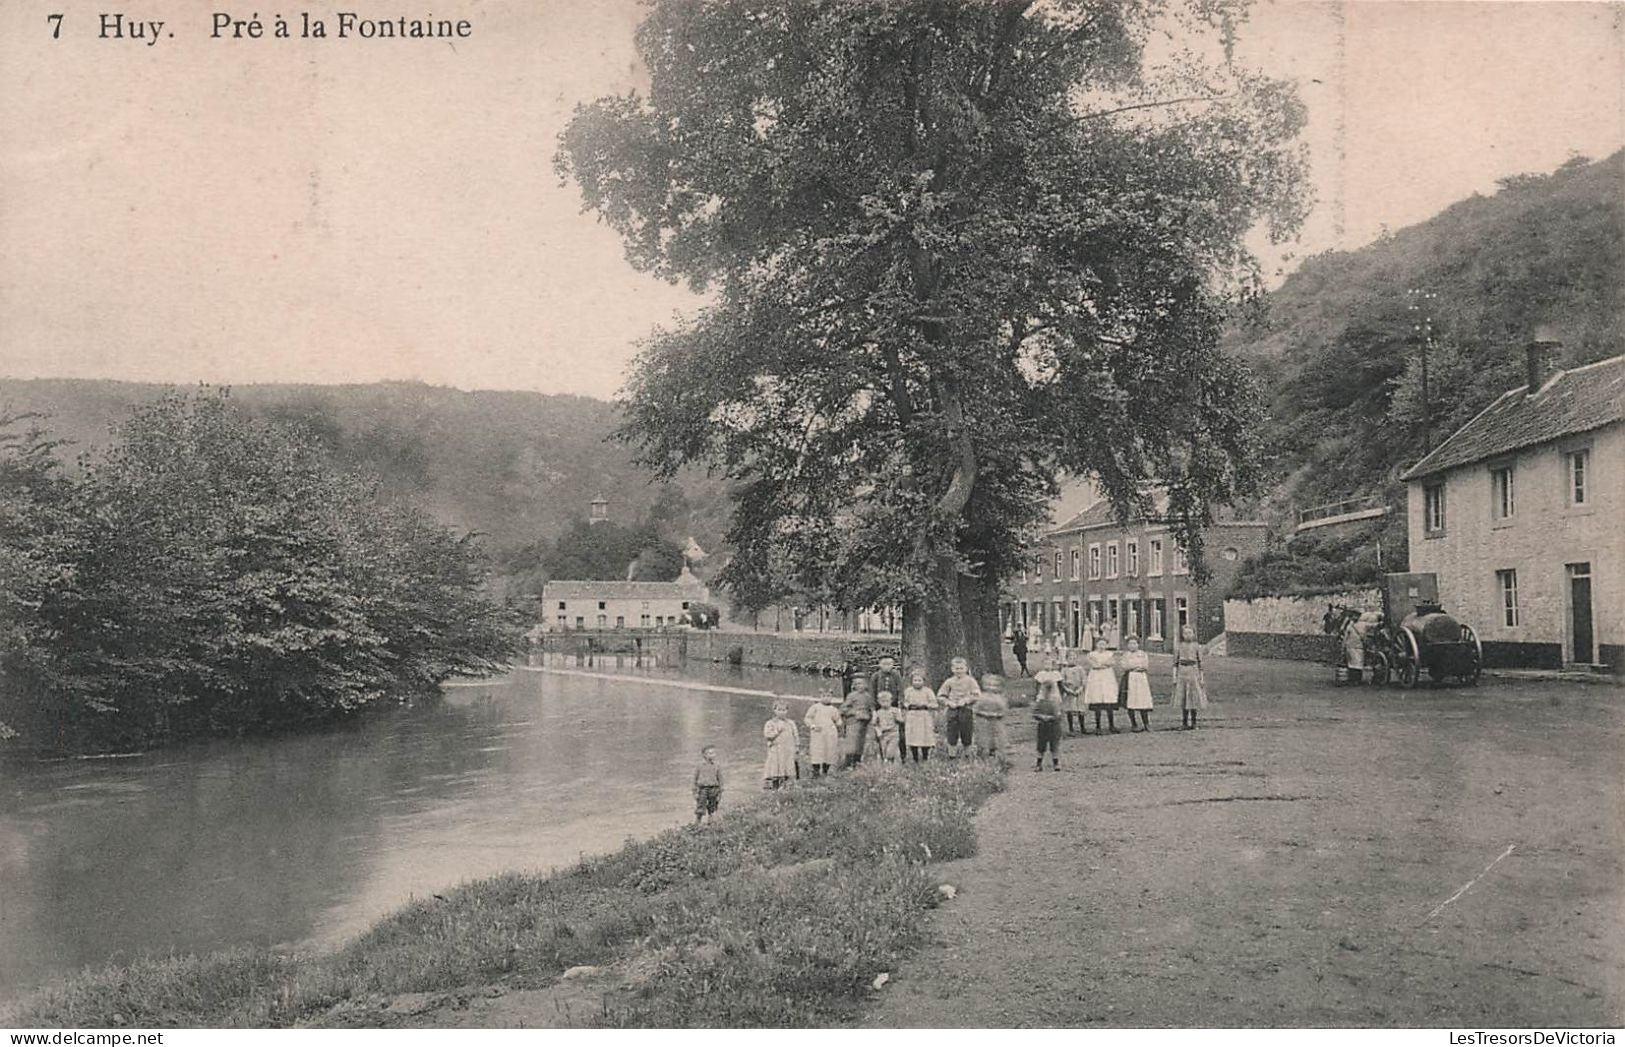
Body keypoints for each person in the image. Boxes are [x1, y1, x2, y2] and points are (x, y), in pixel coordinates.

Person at [937, 656, 981, 758]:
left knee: (967, 732)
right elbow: (940, 696)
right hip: (952, 710)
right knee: (952, 732)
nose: (959, 671)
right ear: (952, 669)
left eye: (961, 668)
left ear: (966, 668)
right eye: (957, 668)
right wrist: (948, 702)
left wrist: (966, 701)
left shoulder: (971, 681)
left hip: (966, 710)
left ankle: (968, 754)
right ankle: (952, 755)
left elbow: (977, 694)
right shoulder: (949, 682)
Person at [1173, 625, 1209, 730]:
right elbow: (1175, 663)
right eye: (1185, 633)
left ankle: (1194, 722)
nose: (1187, 635)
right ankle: (1184, 722)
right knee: (1183, 698)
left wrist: (1201, 678)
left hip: (1193, 672)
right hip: (1182, 672)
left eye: (1190, 633)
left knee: (1193, 697)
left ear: (1193, 634)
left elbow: (1200, 663)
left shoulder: (1197, 646)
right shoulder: (1178, 646)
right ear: (1182, 634)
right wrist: (1174, 677)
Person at [900, 668, 939, 763]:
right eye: (915, 680)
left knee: (924, 737)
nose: (917, 683)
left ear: (923, 681)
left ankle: (925, 757)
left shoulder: (928, 691)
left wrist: (926, 705)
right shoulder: (908, 691)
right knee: (913, 737)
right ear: (911, 681)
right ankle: (915, 758)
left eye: (919, 680)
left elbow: (935, 704)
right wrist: (907, 705)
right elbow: (904, 702)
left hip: (924, 716)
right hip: (912, 716)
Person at [803, 687, 843, 777]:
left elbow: (838, 719)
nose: (826, 698)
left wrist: (839, 723)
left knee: (829, 751)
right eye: (824, 696)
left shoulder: (833, 709)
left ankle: (825, 770)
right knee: (817, 751)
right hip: (818, 732)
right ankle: (816, 771)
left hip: (830, 733)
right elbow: (807, 718)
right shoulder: (815, 707)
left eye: (828, 696)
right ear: (820, 696)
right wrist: (813, 726)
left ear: (831, 697)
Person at [871, 655, 907, 752]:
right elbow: (872, 692)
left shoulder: (896, 675)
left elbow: (900, 689)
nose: (887, 666)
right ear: (879, 664)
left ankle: (901, 754)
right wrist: (874, 708)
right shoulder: (876, 676)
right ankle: (883, 753)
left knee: (899, 730)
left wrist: (900, 704)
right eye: (884, 664)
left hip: (894, 705)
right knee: (880, 730)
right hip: (880, 707)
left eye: (889, 664)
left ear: (893, 665)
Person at [1084, 637, 1120, 734]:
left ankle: (1111, 725)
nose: (1102, 646)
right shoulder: (1091, 654)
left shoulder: (1109, 654)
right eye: (1100, 644)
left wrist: (1101, 664)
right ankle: (1098, 726)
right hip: (1096, 678)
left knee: (1109, 700)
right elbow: (1094, 665)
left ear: (1107, 645)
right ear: (1096, 645)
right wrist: (1103, 664)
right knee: (1097, 701)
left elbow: (1112, 663)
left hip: (1107, 677)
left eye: (1104, 644)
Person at [762, 700, 800, 789]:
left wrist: (797, 746)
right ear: (774, 710)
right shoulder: (770, 723)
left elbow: (795, 735)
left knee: (788, 767)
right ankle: (775, 785)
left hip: (788, 750)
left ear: (787, 711)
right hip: (776, 750)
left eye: (784, 710)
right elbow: (767, 735)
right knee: (776, 767)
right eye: (779, 710)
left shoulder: (791, 723)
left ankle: (786, 786)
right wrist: (777, 731)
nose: (782, 712)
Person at [974, 673, 1009, 763]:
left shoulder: (1000, 698)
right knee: (984, 738)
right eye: (988, 685)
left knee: (997, 738)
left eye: (994, 685)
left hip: (996, 721)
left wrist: (997, 714)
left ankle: (998, 757)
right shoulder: (981, 697)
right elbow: (976, 709)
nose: (991, 687)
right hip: (984, 721)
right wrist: (983, 713)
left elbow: (1004, 710)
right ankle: (983, 756)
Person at [1121, 636, 1154, 732]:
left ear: (1138, 645)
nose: (1132, 646)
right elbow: (1125, 666)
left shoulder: (1142, 654)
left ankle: (1146, 723)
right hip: (1130, 678)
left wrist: (1137, 667)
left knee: (1142, 700)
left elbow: (1145, 665)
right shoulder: (1125, 655)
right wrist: (1135, 666)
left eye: (1134, 643)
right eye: (1130, 644)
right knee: (1130, 700)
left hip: (1141, 678)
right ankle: (1134, 724)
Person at [841, 675, 875, 766]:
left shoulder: (868, 696)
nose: (859, 686)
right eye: (857, 684)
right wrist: (854, 712)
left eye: (861, 684)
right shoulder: (852, 696)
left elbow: (871, 708)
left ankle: (857, 762)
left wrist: (870, 715)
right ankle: (847, 763)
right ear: (854, 686)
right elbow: (843, 709)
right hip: (853, 722)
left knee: (861, 742)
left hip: (864, 722)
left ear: (865, 685)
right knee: (852, 741)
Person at [1032, 674, 1062, 772]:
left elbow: (1058, 715)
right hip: (1043, 726)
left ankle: (1056, 763)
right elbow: (1035, 713)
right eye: (1045, 690)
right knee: (1041, 746)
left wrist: (1051, 717)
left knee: (1054, 745)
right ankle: (1039, 763)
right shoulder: (1040, 702)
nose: (1047, 693)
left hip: (1053, 726)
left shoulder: (1055, 702)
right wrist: (1041, 716)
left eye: (1049, 690)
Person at [1060, 650, 1087, 735]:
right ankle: (1071, 728)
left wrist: (1081, 688)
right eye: (1070, 658)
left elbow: (1084, 680)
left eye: (1074, 658)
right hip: (1069, 691)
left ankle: (1082, 727)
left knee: (1080, 709)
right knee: (1070, 710)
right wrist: (1068, 690)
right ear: (1067, 659)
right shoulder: (1064, 669)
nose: (1072, 659)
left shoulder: (1080, 669)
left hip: (1079, 691)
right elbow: (1062, 682)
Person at [693, 745, 723, 824]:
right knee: (700, 806)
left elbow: (720, 779)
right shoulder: (699, 766)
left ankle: (711, 823)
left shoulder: (717, 766)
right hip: (703, 789)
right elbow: (695, 779)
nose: (713, 755)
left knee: (712, 807)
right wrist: (694, 792)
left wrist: (720, 791)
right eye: (710, 753)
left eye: (714, 753)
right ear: (704, 755)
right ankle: (697, 823)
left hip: (714, 788)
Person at [871, 691, 902, 764]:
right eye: (882, 701)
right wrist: (878, 731)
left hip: (893, 733)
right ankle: (888, 766)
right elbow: (874, 723)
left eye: (887, 701)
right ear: (879, 702)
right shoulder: (878, 712)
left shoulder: (895, 710)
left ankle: (890, 760)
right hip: (883, 734)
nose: (885, 703)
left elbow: (901, 720)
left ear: (891, 701)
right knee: (884, 750)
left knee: (890, 751)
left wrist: (897, 716)